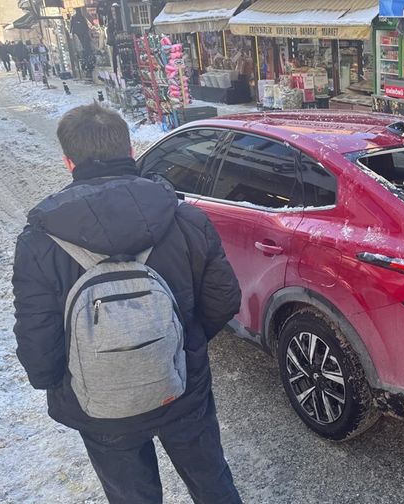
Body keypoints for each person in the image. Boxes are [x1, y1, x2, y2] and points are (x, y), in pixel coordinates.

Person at [12, 104, 243, 504]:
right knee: (211, 482)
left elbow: (37, 336)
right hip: (181, 385)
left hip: (99, 402)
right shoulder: (186, 219)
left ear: (68, 161)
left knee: (132, 496)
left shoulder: (39, 242)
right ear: (130, 151)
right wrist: (186, 342)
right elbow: (224, 298)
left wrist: (57, 382)